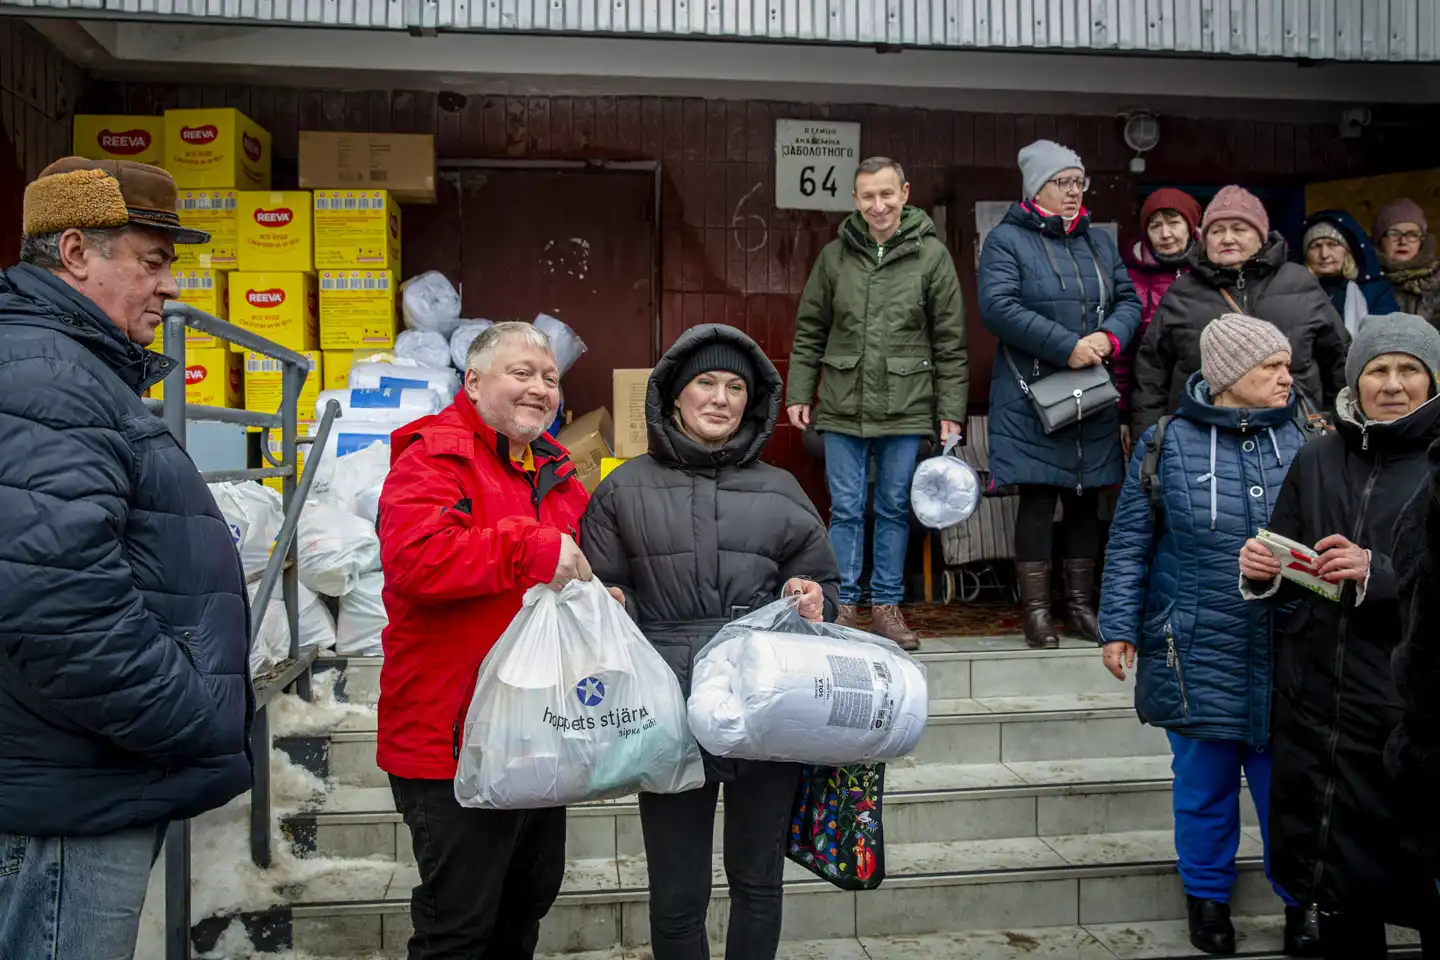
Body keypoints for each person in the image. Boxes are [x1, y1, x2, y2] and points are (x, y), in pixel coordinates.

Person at [0, 158, 253, 958]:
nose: (169, 286)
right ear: (76, 253)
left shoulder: (63, 367)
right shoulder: (46, 375)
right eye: (152, 262)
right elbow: (54, 604)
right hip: (71, 792)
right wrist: (190, 714)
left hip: (74, 775)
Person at [584, 323, 840, 960]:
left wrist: (814, 599)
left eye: (735, 386)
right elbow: (600, 587)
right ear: (674, 394)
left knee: (758, 881)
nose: (721, 398)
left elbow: (822, 582)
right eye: (706, 383)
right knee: (677, 891)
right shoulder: (622, 487)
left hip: (767, 703)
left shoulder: (781, 488)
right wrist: (614, 603)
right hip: (667, 705)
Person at [1099, 314, 1318, 956]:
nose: (1287, 377)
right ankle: (1207, 900)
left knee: (1290, 789)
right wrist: (1119, 626)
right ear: (1228, 378)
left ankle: (1301, 902)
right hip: (1194, 646)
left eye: (1286, 364)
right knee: (1204, 788)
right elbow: (1131, 542)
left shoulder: (1306, 439)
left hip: (1288, 648)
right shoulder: (1167, 442)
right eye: (1271, 367)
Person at [376, 321, 595, 959]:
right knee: (458, 929)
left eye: (550, 378)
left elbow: (584, 561)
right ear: (472, 382)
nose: (539, 388)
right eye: (521, 373)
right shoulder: (434, 455)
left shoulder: (557, 470)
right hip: (451, 741)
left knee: (523, 909)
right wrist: (532, 549)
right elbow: (417, 559)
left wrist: (601, 595)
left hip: (538, 738)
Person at [1239, 313, 1440, 957]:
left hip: (1409, 722)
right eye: (1377, 369)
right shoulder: (1318, 454)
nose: (1392, 384)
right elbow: (1288, 546)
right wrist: (1266, 570)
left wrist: (1378, 573)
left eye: (1410, 369)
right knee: (1341, 898)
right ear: (1355, 377)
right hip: (1322, 714)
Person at [786, 156, 968, 650]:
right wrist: (799, 390)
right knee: (845, 508)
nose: (879, 205)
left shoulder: (931, 257)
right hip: (842, 404)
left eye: (887, 194)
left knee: (891, 508)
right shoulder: (834, 257)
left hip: (907, 405)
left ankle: (886, 608)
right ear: (856, 200)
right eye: (868, 196)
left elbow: (950, 341)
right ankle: (842, 605)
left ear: (905, 193)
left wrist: (950, 409)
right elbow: (810, 330)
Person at [978, 139, 1142, 649]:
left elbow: (1128, 299)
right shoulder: (1006, 241)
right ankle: (1036, 612)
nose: (1074, 192)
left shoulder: (1097, 242)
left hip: (1090, 390)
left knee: (1086, 499)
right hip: (1034, 393)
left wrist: (1108, 338)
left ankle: (1079, 606)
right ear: (1036, 188)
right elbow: (998, 308)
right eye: (1062, 183)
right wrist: (1066, 346)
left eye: (1079, 182)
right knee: (1037, 496)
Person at [1132, 185, 1349, 436]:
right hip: (1203, 441)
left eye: (1239, 229)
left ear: (1261, 237)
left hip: (1293, 434)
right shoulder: (1182, 293)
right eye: (1216, 230)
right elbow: (1151, 374)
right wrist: (1150, 441)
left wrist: (1338, 425)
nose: (1226, 239)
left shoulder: (1300, 283)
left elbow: (1338, 360)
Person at [1117, 187, 1203, 459]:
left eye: (1174, 223)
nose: (1165, 234)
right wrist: (1122, 414)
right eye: (1156, 226)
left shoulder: (1213, 270)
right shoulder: (1128, 278)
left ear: (1191, 227)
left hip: (1205, 396)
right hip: (1147, 400)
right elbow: (1121, 354)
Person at [1300, 210, 1398, 334]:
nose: (1324, 254)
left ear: (1347, 251)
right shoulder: (1294, 292)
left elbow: (1387, 337)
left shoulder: (1375, 292)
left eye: (1332, 245)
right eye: (1316, 246)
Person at [1375, 198, 1440, 328]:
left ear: (1422, 240)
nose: (1403, 241)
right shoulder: (1366, 283)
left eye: (1412, 234)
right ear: (1380, 239)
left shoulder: (1437, 280)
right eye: (1394, 234)